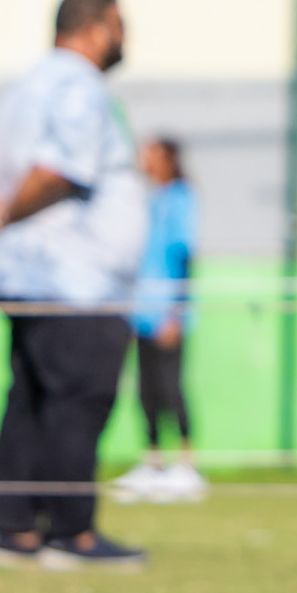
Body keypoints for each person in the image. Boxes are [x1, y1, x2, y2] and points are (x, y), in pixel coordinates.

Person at [0, 0, 149, 570]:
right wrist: (8, 213)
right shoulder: (79, 87)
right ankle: (70, 533)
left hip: (25, 272)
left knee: (29, 395)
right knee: (79, 397)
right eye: (119, 25)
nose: (124, 37)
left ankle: (16, 528)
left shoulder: (22, 88)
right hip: (74, 276)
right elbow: (57, 171)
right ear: (96, 29)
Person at [113, 136, 208, 503]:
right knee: (146, 390)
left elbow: (186, 256)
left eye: (150, 154)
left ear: (167, 158)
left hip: (167, 313)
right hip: (142, 311)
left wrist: (176, 312)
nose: (144, 160)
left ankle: (187, 463)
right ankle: (153, 463)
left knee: (171, 386)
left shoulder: (181, 198)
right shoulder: (150, 199)